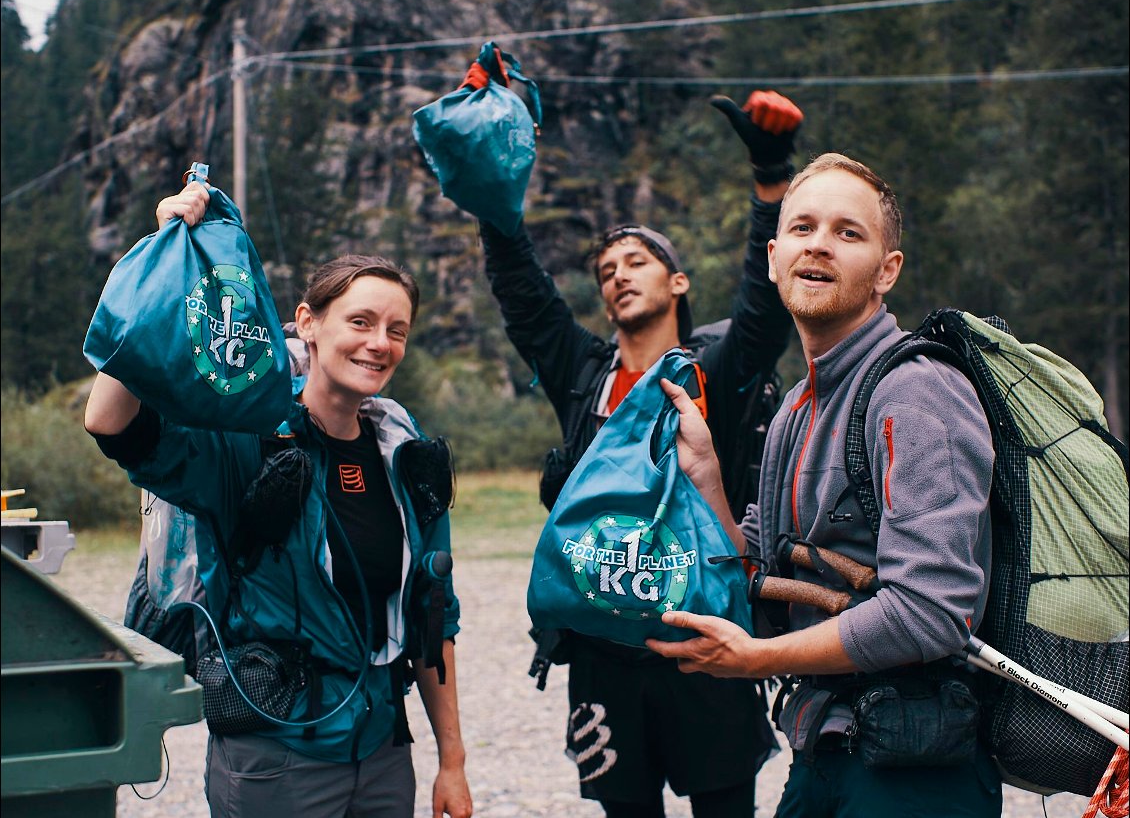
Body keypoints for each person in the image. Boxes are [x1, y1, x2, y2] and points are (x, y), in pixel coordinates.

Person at [84, 182, 473, 818]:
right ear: (307, 323)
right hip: (275, 759)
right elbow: (110, 420)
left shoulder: (409, 460)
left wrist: (452, 763)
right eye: (361, 321)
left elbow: (436, 622)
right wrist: (163, 257)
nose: (380, 342)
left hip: (381, 755)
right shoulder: (245, 445)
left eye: (396, 330)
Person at [472, 90, 802, 817]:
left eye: (637, 260)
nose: (617, 273)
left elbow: (765, 300)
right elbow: (526, 298)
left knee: (725, 808)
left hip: (707, 639)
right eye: (606, 269)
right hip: (602, 650)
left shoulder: (718, 371)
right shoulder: (585, 376)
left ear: (677, 281)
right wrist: (490, 187)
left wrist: (771, 177)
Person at [647, 153, 1003, 817]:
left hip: (916, 773)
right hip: (825, 755)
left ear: (886, 270)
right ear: (777, 255)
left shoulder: (916, 390)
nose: (819, 243)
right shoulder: (794, 410)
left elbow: (931, 612)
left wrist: (755, 660)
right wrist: (707, 479)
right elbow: (761, 580)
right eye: (803, 227)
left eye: (848, 232)